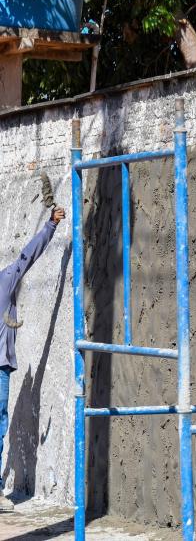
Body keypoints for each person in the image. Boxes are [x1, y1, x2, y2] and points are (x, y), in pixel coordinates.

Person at [0, 206, 63, 512]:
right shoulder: (5, 281)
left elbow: (26, 256)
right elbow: (27, 257)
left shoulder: (6, 281)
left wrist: (49, 227)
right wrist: (50, 226)